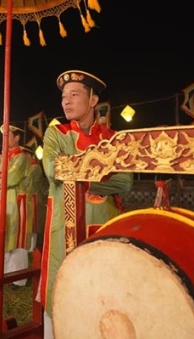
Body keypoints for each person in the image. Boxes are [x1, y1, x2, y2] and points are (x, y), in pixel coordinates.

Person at [39, 70, 134, 337]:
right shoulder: (56, 134)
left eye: (74, 94)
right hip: (64, 224)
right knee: (62, 282)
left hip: (105, 223)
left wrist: (79, 177)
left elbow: (125, 181)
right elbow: (52, 170)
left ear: (93, 100)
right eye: (63, 96)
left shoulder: (112, 138)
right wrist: (102, 173)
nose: (66, 101)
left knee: (103, 289)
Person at [0, 125, 31, 288]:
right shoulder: (0, 158)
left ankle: (19, 278)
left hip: (15, 203)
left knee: (16, 237)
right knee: (4, 236)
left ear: (17, 137)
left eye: (8, 136)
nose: (4, 140)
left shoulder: (21, 157)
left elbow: (11, 178)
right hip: (1, 203)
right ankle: (5, 273)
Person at [21, 146, 46, 252]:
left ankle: (33, 247)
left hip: (36, 199)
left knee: (34, 223)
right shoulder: (29, 167)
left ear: (30, 156)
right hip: (30, 198)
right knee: (30, 223)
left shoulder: (34, 168)